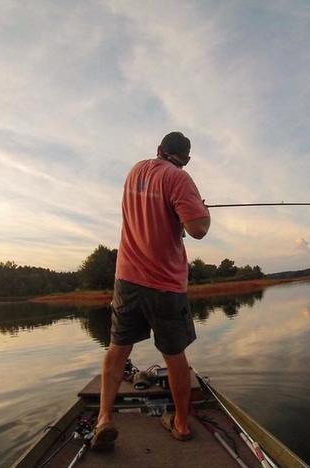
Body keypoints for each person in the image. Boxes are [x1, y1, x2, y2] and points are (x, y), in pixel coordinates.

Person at [91, 131, 211, 450]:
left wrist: (179, 214)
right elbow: (198, 228)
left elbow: (152, 219)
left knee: (118, 349)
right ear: (186, 159)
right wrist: (201, 210)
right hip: (165, 284)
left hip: (127, 279)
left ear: (159, 149)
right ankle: (181, 424)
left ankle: (103, 419)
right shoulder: (179, 179)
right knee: (174, 357)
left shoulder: (135, 172)